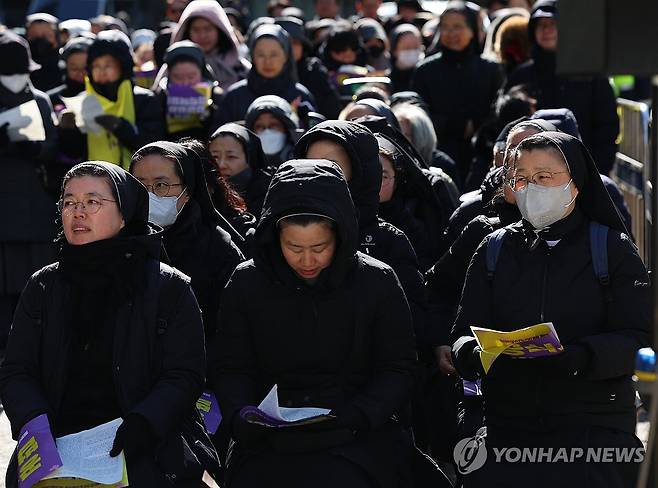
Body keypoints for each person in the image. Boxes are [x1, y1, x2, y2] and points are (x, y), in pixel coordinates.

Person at [451, 132, 650, 488]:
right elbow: (464, 330)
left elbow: (640, 337)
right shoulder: (494, 249)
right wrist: (471, 352)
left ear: (575, 183)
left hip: (591, 431)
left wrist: (581, 357)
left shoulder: (612, 249)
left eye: (543, 177)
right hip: (509, 427)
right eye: (521, 178)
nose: (531, 187)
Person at [0, 161, 210, 485]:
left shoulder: (169, 288)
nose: (77, 212)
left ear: (124, 214)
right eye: (69, 202)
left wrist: (145, 422)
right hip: (57, 448)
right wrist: (34, 420)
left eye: (92, 202)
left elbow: (184, 374)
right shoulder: (43, 286)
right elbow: (16, 369)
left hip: (144, 444)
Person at [211, 158, 417, 488]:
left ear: (341, 235)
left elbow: (398, 367)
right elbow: (231, 365)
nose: (307, 261)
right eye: (294, 248)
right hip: (268, 440)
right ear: (275, 237)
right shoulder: (247, 282)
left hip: (355, 435)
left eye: (319, 248)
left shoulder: (376, 281)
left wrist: (360, 414)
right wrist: (240, 414)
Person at [294, 120, 428, 353]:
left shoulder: (389, 240)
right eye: (310, 164)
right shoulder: (278, 234)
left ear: (357, 173)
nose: (318, 174)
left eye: (331, 166)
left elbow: (409, 321)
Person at [130, 141, 244, 338]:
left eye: (161, 185)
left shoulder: (219, 248)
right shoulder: (120, 240)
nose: (149, 195)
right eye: (140, 186)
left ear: (187, 192)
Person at [504, 0, 619, 175]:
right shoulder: (521, 75)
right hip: (531, 174)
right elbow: (507, 126)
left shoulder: (590, 74)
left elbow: (607, 127)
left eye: (553, 24)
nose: (546, 30)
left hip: (584, 171)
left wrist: (596, 172)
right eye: (541, 25)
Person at [0, 30, 59, 350]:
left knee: (32, 282)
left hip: (33, 201)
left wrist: (33, 149)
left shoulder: (40, 99)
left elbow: (52, 145)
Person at [411, 1, 502, 186]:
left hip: (482, 156)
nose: (451, 33)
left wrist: (478, 126)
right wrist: (454, 126)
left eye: (458, 27)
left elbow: (498, 111)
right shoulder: (425, 70)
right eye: (445, 27)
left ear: (471, 31)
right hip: (438, 153)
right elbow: (418, 113)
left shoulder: (491, 69)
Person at [60, 30, 165, 169]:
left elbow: (154, 147)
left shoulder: (144, 99)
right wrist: (68, 130)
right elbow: (74, 152)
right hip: (93, 180)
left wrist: (120, 127)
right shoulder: (83, 101)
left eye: (108, 65)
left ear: (123, 66)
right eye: (96, 66)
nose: (101, 71)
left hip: (134, 180)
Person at [213, 24, 315, 128]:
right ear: (253, 57)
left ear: (286, 56)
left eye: (274, 55)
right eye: (261, 55)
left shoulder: (300, 95)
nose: (268, 62)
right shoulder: (234, 96)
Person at [171, 0, 250, 90]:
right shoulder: (171, 68)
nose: (202, 36)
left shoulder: (241, 69)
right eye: (196, 30)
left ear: (220, 30)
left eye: (208, 29)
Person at [276, 16, 342, 120]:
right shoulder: (258, 76)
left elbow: (331, 109)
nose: (290, 48)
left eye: (295, 43)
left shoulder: (314, 70)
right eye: (283, 43)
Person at [155, 40, 222, 141]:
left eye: (191, 76)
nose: (185, 83)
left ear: (202, 73)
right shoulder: (160, 98)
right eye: (178, 77)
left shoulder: (217, 97)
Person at [209, 123, 273, 219]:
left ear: (250, 159)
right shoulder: (203, 193)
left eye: (231, 157)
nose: (221, 165)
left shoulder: (269, 196)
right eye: (215, 157)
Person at [244, 95, 298, 167]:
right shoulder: (242, 167)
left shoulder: (302, 163)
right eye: (259, 126)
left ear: (287, 129)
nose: (267, 131)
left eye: (273, 125)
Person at [26, 13, 63, 91]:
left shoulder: (65, 66)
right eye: (34, 35)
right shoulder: (20, 65)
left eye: (47, 36)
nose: (40, 39)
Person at [389, 24, 424, 93]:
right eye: (406, 48)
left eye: (416, 47)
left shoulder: (427, 77)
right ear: (395, 50)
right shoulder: (387, 81)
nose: (412, 51)